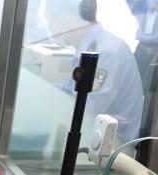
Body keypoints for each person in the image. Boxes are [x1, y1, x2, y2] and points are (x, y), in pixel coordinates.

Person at [62, 0, 144, 140]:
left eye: (50, 21)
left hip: (113, 144)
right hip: (95, 137)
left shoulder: (105, 52)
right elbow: (67, 91)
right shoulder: (88, 48)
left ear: (67, 19)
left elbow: (87, 111)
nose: (50, 29)